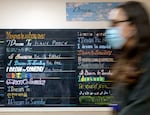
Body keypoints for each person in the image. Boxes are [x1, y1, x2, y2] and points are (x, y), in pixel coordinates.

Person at [105, 1, 150, 115]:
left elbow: (139, 109)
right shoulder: (126, 60)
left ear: (133, 27)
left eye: (115, 23)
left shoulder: (147, 61)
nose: (110, 30)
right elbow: (117, 104)